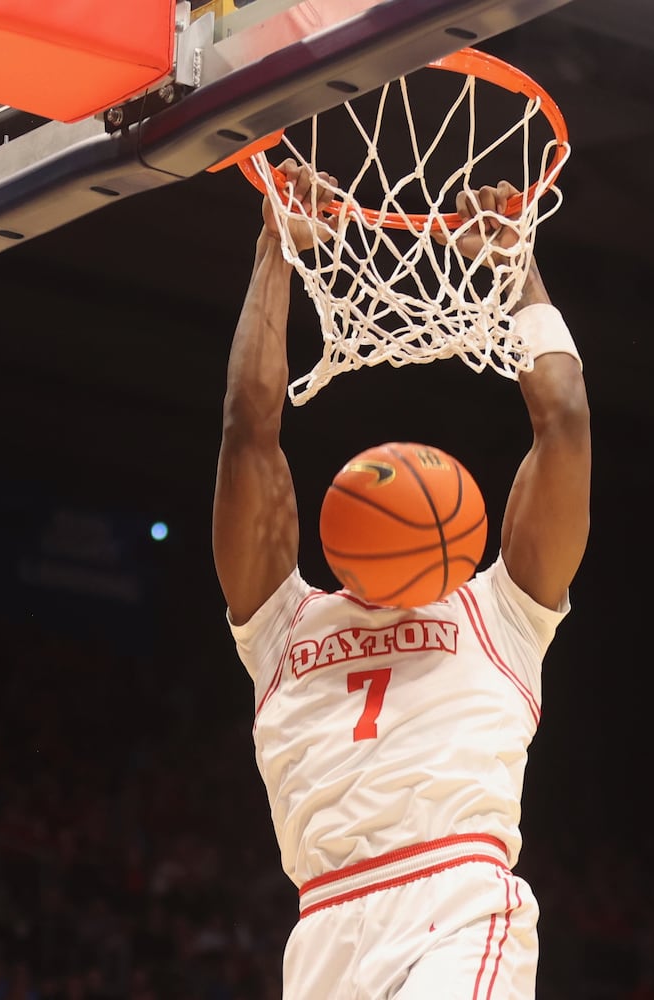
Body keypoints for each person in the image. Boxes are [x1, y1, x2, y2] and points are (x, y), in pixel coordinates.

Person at [213, 159, 590, 999]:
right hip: (323, 929)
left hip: (456, 905)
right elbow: (248, 426)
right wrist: (276, 247)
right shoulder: (280, 623)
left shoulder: (503, 613)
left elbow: (563, 421)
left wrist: (516, 265)